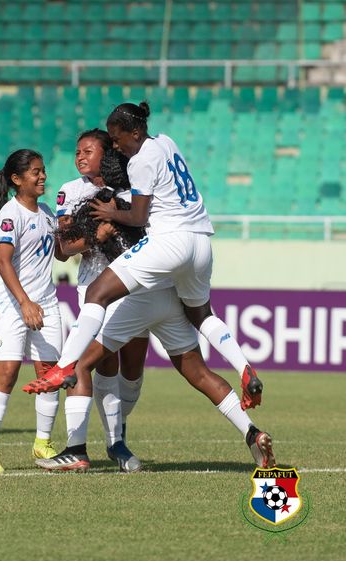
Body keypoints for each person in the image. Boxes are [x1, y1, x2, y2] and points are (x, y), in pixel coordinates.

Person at [25, 102, 263, 412]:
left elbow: (138, 217)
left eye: (117, 137)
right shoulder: (166, 142)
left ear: (135, 132)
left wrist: (111, 211)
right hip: (202, 240)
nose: (115, 144)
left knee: (98, 292)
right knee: (202, 314)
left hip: (169, 241)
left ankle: (65, 366)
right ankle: (245, 368)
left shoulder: (139, 162)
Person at [34, 286, 277, 472]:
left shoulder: (143, 222)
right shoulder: (194, 232)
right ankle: (251, 432)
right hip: (170, 297)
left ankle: (76, 450)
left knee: (80, 363)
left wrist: (104, 220)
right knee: (200, 373)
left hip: (137, 297)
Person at [53, 136, 149, 472]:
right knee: (99, 365)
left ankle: (117, 432)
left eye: (88, 151)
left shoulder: (133, 189)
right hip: (93, 289)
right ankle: (104, 445)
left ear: (106, 156)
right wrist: (97, 236)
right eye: (77, 150)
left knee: (133, 371)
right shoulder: (69, 191)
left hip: (136, 288)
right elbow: (62, 249)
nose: (80, 156)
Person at [0, 149, 66, 473]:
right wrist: (25, 302)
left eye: (43, 171)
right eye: (35, 172)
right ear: (16, 179)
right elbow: (3, 261)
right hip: (10, 304)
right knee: (8, 374)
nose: (42, 177)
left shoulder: (47, 213)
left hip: (47, 304)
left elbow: (62, 254)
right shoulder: (10, 215)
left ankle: (42, 443)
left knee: (51, 375)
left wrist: (92, 235)